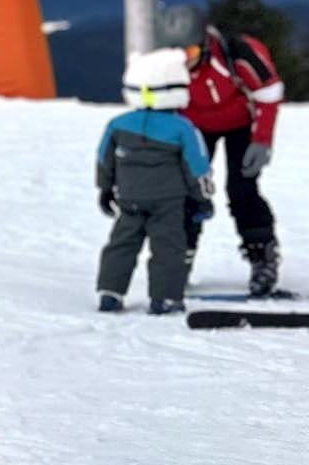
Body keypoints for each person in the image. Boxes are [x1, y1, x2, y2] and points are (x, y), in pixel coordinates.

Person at [96, 48, 215, 314]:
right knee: (169, 248)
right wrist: (202, 198)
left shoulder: (117, 125)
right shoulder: (183, 128)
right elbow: (197, 167)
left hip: (129, 198)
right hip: (168, 202)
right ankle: (165, 297)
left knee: (122, 244)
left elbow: (104, 159)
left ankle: (110, 292)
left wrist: (105, 189)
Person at [182, 23, 284, 297]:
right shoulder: (164, 66)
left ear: (204, 46)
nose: (184, 60)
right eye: (178, 54)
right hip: (193, 126)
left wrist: (262, 140)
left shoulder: (238, 55)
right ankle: (178, 256)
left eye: (190, 52)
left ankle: (262, 255)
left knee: (242, 189)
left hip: (242, 123)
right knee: (187, 190)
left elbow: (269, 93)